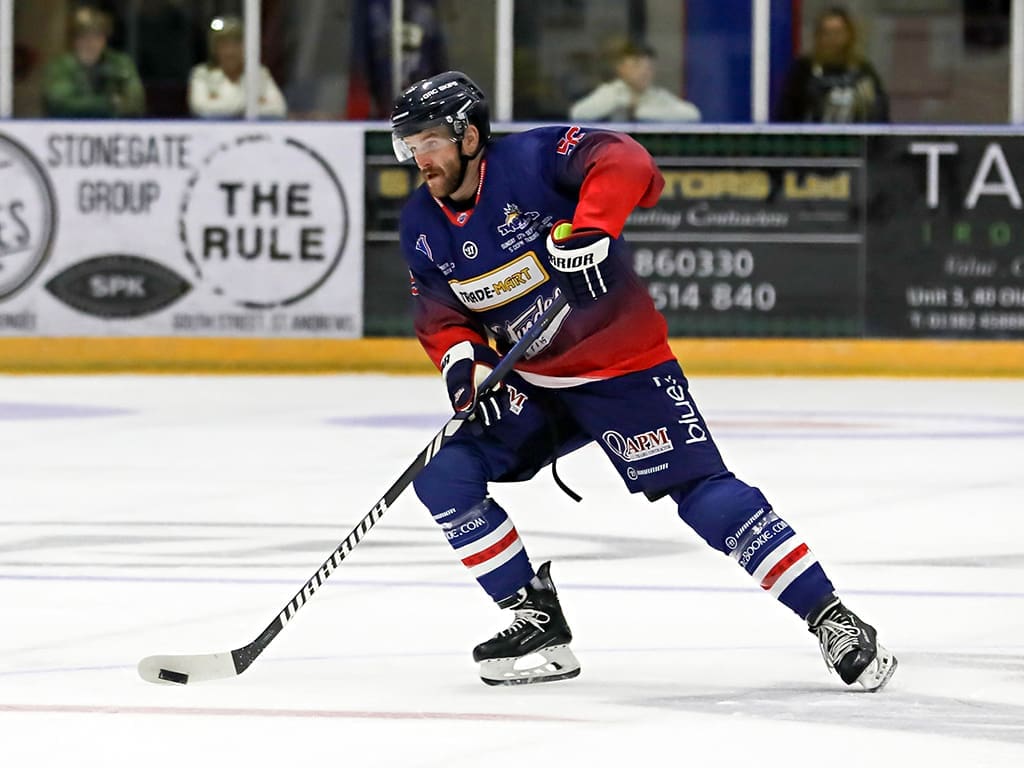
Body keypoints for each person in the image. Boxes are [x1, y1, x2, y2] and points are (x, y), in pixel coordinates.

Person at [390, 71, 898, 690]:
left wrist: (594, 229)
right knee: (444, 473)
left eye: (428, 141)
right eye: (408, 146)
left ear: (469, 135)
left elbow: (626, 159)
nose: (419, 158)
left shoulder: (531, 158)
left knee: (704, 494)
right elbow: (440, 314)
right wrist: (463, 364)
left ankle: (831, 617)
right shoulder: (421, 221)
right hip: (534, 383)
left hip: (621, 368)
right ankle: (536, 622)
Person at [776, 6, 889, 123]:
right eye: (826, 33)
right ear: (818, 36)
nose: (832, 39)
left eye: (837, 32)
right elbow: (786, 116)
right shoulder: (803, 70)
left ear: (849, 35)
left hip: (855, 140)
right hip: (813, 140)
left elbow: (880, 115)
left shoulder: (863, 70)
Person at [42, 6, 145, 118]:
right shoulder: (60, 66)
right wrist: (108, 103)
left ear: (105, 39)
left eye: (97, 36)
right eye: (84, 36)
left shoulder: (120, 63)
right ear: (75, 40)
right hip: (69, 130)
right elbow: (59, 103)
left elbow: (136, 102)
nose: (91, 43)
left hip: (113, 129)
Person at [569, 41, 700, 123]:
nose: (644, 72)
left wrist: (639, 111)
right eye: (636, 65)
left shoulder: (657, 95)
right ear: (620, 68)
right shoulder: (611, 92)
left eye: (649, 67)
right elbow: (578, 114)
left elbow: (692, 114)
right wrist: (620, 104)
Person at [188, 16, 287, 119]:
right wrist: (252, 104)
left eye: (236, 44)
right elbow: (200, 108)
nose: (230, 52)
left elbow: (278, 109)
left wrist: (221, 104)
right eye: (224, 45)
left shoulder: (260, 73)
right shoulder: (202, 74)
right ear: (215, 49)